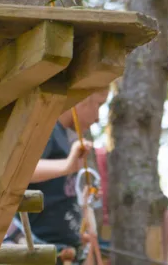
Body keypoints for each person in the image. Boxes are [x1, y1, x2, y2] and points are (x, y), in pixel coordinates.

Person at [18, 89, 109, 262]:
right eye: (99, 104)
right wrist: (67, 166)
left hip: (63, 250)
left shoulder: (62, 135)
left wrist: (76, 234)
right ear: (81, 99)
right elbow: (19, 171)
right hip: (40, 247)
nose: (98, 117)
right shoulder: (47, 128)